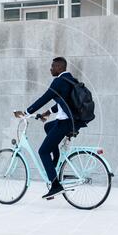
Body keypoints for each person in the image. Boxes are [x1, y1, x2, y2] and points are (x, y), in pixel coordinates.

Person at [14, 57, 87, 200]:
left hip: (65, 123)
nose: (51, 69)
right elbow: (64, 101)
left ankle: (55, 186)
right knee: (48, 126)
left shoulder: (59, 81)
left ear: (60, 67)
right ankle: (57, 157)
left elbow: (45, 97)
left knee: (43, 151)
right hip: (73, 121)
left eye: (53, 66)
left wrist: (27, 112)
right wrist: (47, 113)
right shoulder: (70, 80)